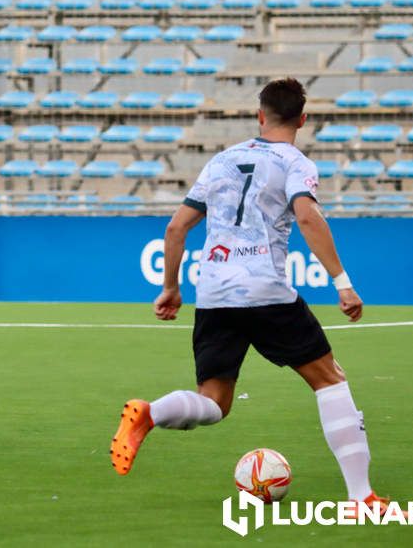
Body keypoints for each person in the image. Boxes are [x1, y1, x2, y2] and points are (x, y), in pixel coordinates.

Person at [110, 78, 394, 515]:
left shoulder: (222, 160)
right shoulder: (294, 161)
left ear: (260, 116)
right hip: (265, 289)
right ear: (303, 119)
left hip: (215, 293)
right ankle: (362, 497)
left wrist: (170, 286)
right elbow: (307, 215)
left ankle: (151, 412)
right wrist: (342, 281)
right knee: (329, 379)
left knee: (214, 401)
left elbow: (175, 228)